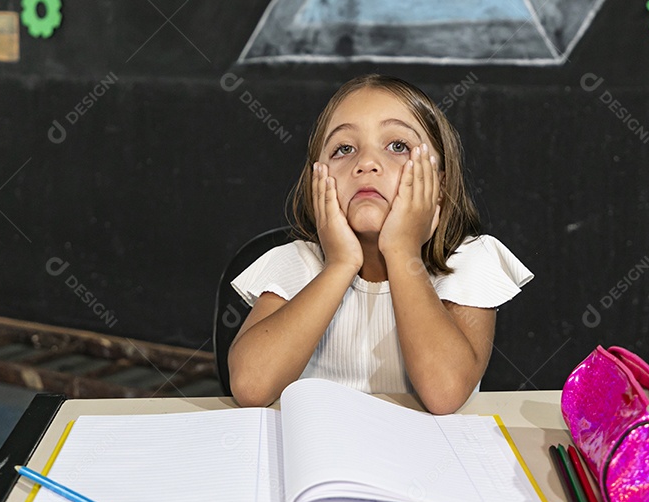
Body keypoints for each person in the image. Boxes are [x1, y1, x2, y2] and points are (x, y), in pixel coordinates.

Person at [228, 74, 532, 414]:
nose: (366, 163)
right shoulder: (295, 262)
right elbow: (251, 386)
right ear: (316, 180)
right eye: (344, 149)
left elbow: (444, 392)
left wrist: (402, 252)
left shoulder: (472, 262)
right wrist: (340, 265)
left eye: (398, 146)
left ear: (440, 183)